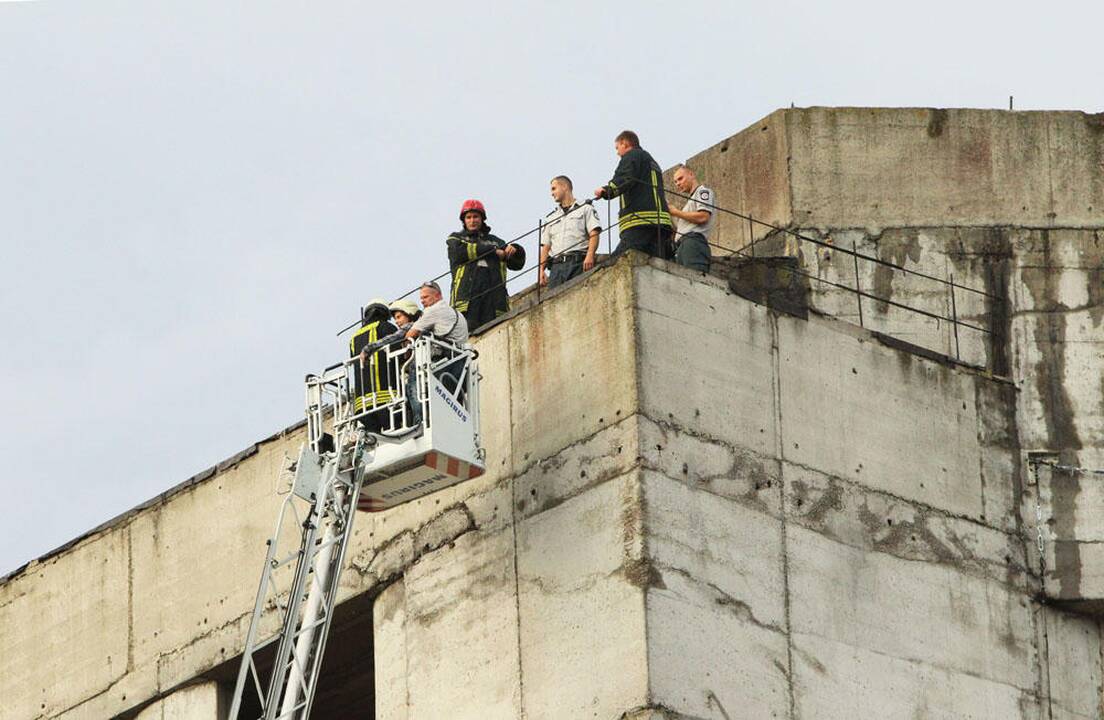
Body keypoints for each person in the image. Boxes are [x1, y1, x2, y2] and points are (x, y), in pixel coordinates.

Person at [594, 130, 673, 260]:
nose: (617, 152)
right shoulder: (651, 162)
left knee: (617, 262)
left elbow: (625, 177)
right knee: (654, 263)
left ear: (625, 143)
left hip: (639, 221)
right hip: (660, 224)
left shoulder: (632, 156)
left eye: (617, 147)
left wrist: (606, 190)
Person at [404, 281, 470, 425]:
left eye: (425, 297)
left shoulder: (434, 311)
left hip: (445, 365)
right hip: (459, 367)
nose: (422, 301)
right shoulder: (455, 312)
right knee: (451, 410)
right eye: (421, 298)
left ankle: (419, 421)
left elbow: (410, 334)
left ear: (438, 296)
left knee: (413, 378)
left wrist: (407, 354)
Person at [447, 199, 515, 331]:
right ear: (464, 220)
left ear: (482, 219)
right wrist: (494, 252)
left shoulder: (496, 241)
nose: (472, 220)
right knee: (468, 336)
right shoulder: (455, 239)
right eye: (469, 217)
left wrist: (515, 249)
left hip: (494, 300)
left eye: (476, 217)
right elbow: (459, 253)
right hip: (466, 300)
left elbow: (517, 263)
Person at [540, 175, 601, 288]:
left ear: (564, 187)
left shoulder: (585, 208)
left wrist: (590, 255)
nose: (551, 193)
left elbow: (594, 233)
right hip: (556, 268)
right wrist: (541, 270)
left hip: (578, 263)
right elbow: (546, 247)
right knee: (554, 303)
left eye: (554, 188)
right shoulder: (550, 218)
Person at [348, 299, 399, 434]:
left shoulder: (354, 337)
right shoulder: (386, 327)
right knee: (394, 433)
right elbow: (399, 353)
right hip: (386, 397)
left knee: (375, 439)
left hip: (362, 404)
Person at [668, 165, 714, 273]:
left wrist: (675, 212)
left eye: (680, 179)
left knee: (694, 280)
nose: (678, 184)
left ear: (691, 174)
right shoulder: (689, 202)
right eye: (675, 182)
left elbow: (703, 216)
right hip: (682, 246)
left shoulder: (702, 192)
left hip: (693, 243)